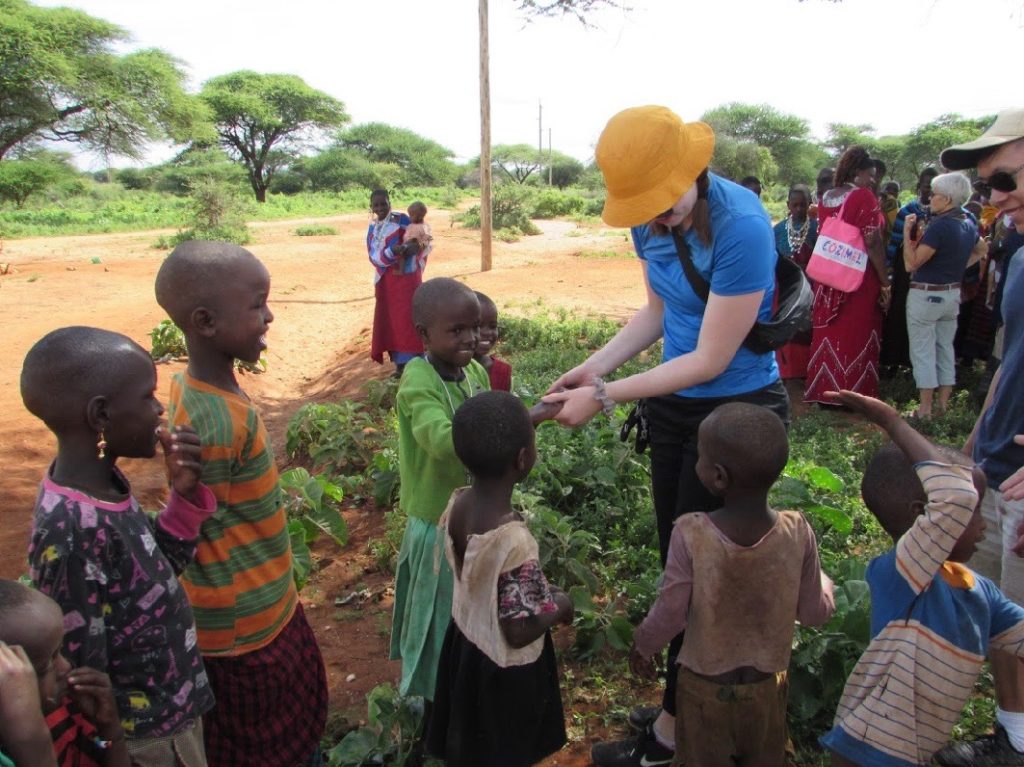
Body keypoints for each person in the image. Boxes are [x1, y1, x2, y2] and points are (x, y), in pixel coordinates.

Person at [542, 105, 789, 767]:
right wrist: (594, 366)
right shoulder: (647, 224)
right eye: (643, 209)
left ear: (693, 170)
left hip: (735, 416)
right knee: (677, 558)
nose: (657, 220)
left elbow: (711, 359)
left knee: (706, 573)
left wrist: (604, 395)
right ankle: (682, 700)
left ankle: (671, 737)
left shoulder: (742, 228)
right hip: (675, 407)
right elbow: (657, 311)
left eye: (665, 204)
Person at [154, 242, 328, 767]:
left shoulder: (192, 385)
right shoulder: (220, 423)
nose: (268, 315)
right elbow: (200, 525)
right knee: (271, 743)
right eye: (256, 304)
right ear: (205, 322)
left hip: (249, 605)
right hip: (244, 625)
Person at [21, 326, 215, 764]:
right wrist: (113, 751)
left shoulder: (105, 486)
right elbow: (80, 678)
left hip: (171, 721)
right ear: (101, 415)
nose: (159, 408)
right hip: (141, 744)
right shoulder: (70, 532)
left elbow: (154, 576)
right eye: (147, 397)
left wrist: (183, 496)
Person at [820, 389, 1024, 767]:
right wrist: (893, 422)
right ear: (923, 515)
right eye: (977, 511)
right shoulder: (902, 575)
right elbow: (956, 498)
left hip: (916, 752)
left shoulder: (981, 593)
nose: (983, 523)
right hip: (867, 747)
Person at [629, 402, 834, 766]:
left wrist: (643, 645)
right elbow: (815, 613)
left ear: (718, 477)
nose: (696, 463)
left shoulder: (691, 533)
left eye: (700, 456)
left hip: (703, 691)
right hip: (768, 690)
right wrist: (825, 583)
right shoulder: (797, 529)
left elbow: (671, 614)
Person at [933, 108, 1024, 762]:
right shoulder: (1019, 247)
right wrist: (974, 441)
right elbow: (1010, 356)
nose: (993, 198)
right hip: (998, 460)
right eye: (988, 184)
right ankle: (1013, 735)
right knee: (1004, 619)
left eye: (1003, 179)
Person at [426, 391, 574, 766]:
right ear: (523, 459)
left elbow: (488, 581)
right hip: (503, 672)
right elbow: (518, 629)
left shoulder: (459, 503)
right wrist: (559, 606)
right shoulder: (512, 538)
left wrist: (540, 590)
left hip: (465, 647)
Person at [390, 277, 492, 702]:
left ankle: (466, 692)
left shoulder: (475, 374)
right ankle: (429, 707)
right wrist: (518, 426)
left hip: (477, 520)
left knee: (472, 613)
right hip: (436, 525)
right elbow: (437, 437)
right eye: (456, 330)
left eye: (475, 327)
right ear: (424, 335)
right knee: (436, 621)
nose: (471, 338)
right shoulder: (418, 380)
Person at [0, 580, 129, 767]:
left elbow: (100, 745)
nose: (66, 666)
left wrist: (110, 732)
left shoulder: (63, 711)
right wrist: (32, 740)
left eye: (60, 651)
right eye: (45, 667)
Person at [805, 146, 889, 405]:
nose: (872, 180)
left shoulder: (827, 197)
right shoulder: (863, 197)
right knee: (857, 331)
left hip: (829, 276)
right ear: (857, 172)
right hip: (858, 278)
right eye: (870, 175)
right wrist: (885, 282)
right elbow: (872, 241)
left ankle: (825, 391)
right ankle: (854, 396)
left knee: (830, 331)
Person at [902, 172, 983, 418]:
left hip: (927, 295)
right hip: (951, 294)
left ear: (946, 199)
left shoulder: (941, 225)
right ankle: (943, 406)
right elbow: (982, 249)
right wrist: (958, 266)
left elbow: (911, 264)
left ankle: (924, 409)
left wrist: (907, 233)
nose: (930, 199)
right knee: (945, 348)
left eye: (935, 195)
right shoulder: (968, 221)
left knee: (923, 350)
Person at [882, 168, 939, 372]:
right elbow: (894, 242)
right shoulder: (907, 210)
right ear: (918, 187)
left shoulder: (941, 214)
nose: (930, 191)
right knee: (900, 313)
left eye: (934, 188)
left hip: (931, 272)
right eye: (926, 187)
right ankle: (893, 361)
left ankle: (916, 365)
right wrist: (888, 270)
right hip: (905, 270)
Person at [368, 189, 425, 376]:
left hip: (408, 280)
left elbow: (423, 237)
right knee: (392, 321)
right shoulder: (372, 228)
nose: (380, 208)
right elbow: (373, 256)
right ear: (372, 207)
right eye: (376, 205)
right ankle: (400, 365)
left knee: (409, 318)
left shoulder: (402, 219)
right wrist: (392, 252)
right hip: (387, 282)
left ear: (389, 202)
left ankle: (417, 362)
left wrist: (414, 248)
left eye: (383, 203)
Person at [773, 184, 818, 379]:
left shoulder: (817, 228)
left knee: (807, 328)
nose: (799, 209)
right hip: (785, 286)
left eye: (803, 205)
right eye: (795, 205)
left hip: (811, 285)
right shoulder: (779, 229)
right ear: (788, 205)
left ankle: (806, 371)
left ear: (810, 204)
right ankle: (786, 371)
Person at [473, 291, 512, 392]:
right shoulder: (447, 370)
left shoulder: (502, 371)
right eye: (478, 326)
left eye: (493, 326)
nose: (487, 333)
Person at [404, 201, 434, 270]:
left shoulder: (424, 227)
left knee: (417, 268)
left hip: (419, 254)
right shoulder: (412, 224)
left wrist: (418, 246)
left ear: (419, 217)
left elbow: (427, 241)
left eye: (411, 216)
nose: (409, 217)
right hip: (409, 250)